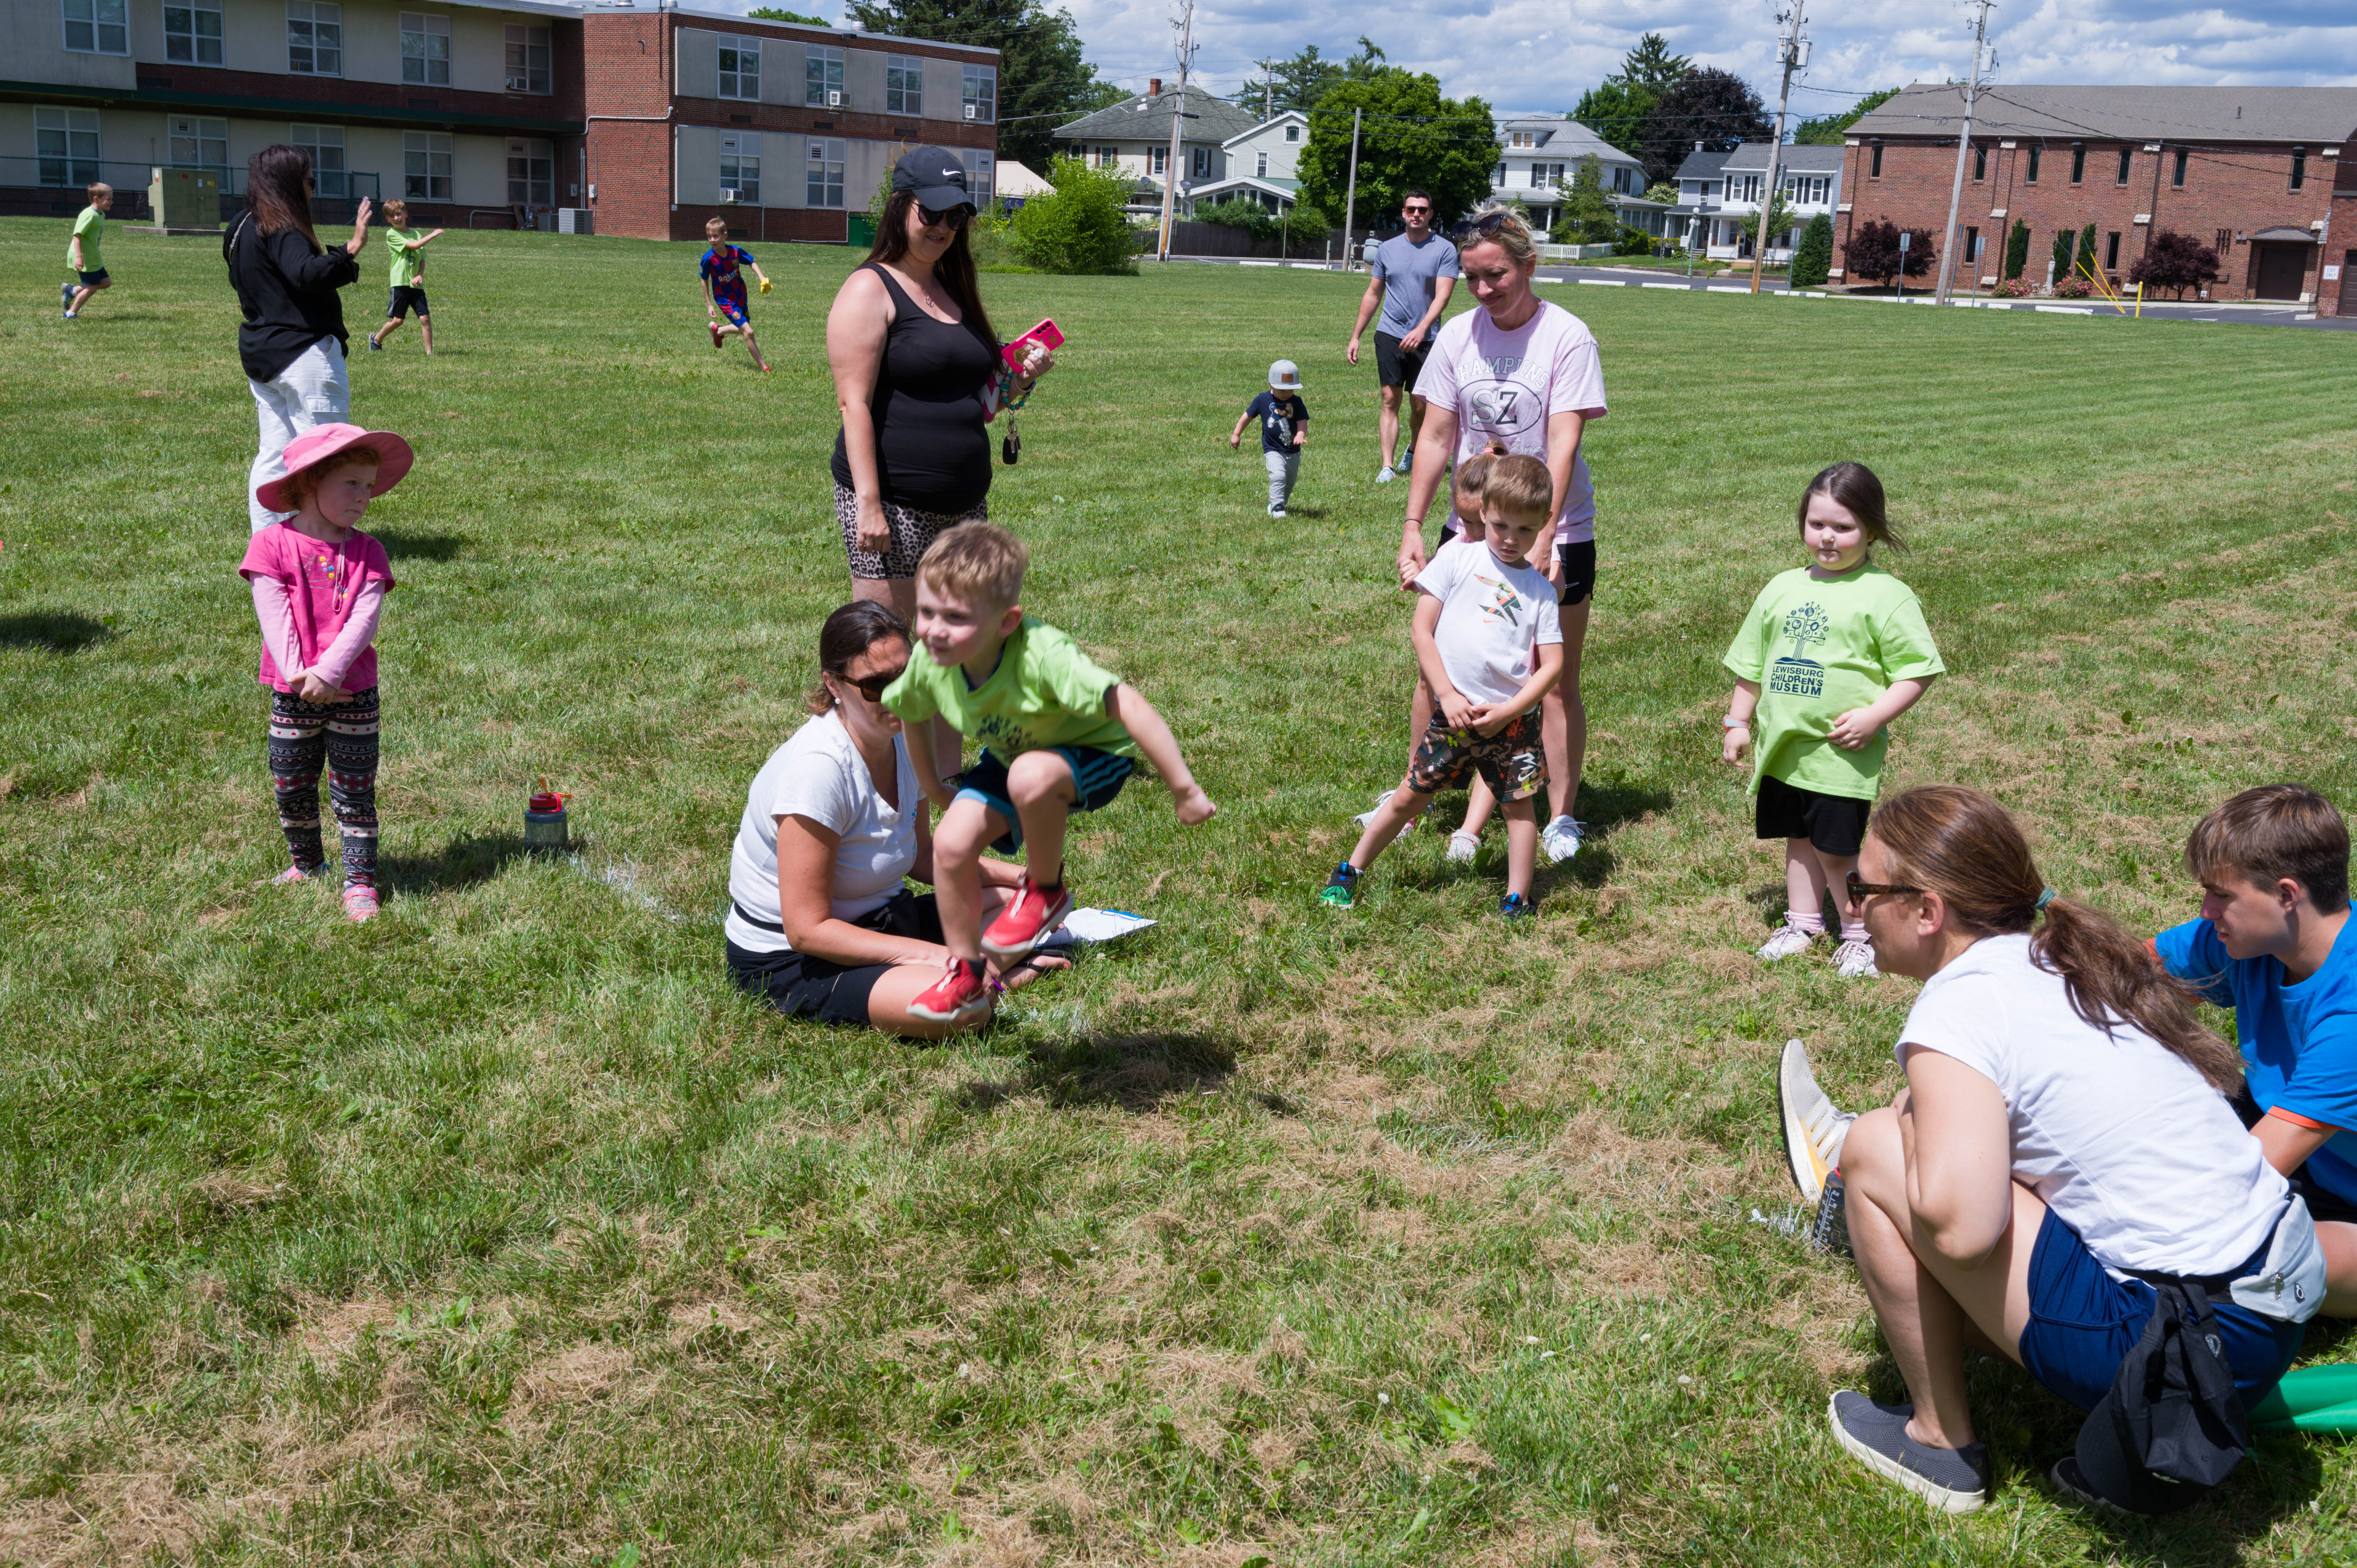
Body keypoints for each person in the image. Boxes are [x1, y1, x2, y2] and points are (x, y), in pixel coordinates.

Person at [1817, 785, 2320, 1515]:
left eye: (1862, 887)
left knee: (1869, 1147)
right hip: (2272, 1299)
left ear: (1927, 910)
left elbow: (1961, 1232)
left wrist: (1903, 1124)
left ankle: (1935, 1443)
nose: (1851, 905)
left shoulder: (1956, 1006)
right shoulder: (2061, 955)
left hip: (2184, 1351)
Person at [881, 524, 1216, 1025]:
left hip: (1094, 753)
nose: (934, 630)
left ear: (1007, 622)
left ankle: (1045, 891)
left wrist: (1183, 787)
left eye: (956, 617)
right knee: (950, 845)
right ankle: (967, 972)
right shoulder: (933, 661)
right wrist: (932, 787)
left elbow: (1129, 704)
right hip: (1014, 757)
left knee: (1032, 776)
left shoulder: (1045, 655)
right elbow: (911, 711)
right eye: (927, 612)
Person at [724, 602, 1067, 1039]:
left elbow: (921, 856)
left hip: (882, 919)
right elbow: (807, 931)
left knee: (1021, 907)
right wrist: (930, 956)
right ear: (833, 684)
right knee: (963, 1008)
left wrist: (1024, 878)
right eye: (875, 686)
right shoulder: (818, 771)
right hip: (795, 959)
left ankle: (981, 973)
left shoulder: (906, 739)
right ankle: (994, 979)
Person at [1396, 206, 1605, 865]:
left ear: (1527, 265)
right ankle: (1414, 797)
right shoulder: (1457, 335)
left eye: (1498, 277)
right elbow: (1433, 435)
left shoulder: (1566, 337)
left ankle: (1562, 815)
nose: (1484, 291)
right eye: (1473, 279)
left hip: (1555, 529)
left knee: (1553, 675)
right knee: (1439, 673)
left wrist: (1546, 537)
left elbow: (1563, 440)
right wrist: (1412, 525)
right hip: (1469, 530)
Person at [1722, 462, 1942, 980]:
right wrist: (1737, 722)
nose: (1827, 537)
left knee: (1837, 850)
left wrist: (1874, 717)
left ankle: (1862, 936)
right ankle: (1802, 925)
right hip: (1784, 749)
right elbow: (1751, 666)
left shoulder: (1886, 596)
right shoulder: (1781, 588)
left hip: (1840, 753)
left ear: (1871, 530)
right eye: (1817, 523)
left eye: (1843, 528)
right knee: (1798, 839)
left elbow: (1918, 672)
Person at [1322, 454, 1563, 919]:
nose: (1511, 540)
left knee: (1519, 812)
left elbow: (1551, 666)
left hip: (1510, 726)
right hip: (1452, 716)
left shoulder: (1541, 593)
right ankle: (1350, 872)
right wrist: (1447, 695)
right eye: (1499, 525)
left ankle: (1517, 898)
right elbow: (1421, 630)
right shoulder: (1457, 557)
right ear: (1483, 510)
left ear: (1544, 523)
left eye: (1525, 531)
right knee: (1410, 795)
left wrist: (1513, 710)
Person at [2153, 784, 2357, 1316]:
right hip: (2307, 1157)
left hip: (2331, 1190)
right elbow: (2130, 969)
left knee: (2254, 1263)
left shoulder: (2350, 1013)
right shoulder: (2248, 938)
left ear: (2287, 896)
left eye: (2221, 894)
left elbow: (2246, 1177)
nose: (2205, 909)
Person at [239, 424, 411, 923]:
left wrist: (330, 673)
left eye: (369, 486)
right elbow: (272, 611)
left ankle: (360, 884)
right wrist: (299, 676)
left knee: (354, 791)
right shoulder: (271, 544)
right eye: (352, 484)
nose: (365, 497)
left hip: (352, 691)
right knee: (292, 784)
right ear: (310, 482)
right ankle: (307, 864)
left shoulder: (369, 551)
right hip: (292, 690)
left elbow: (366, 617)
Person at [1361, 447, 1505, 857]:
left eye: (1481, 523)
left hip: (1500, 682)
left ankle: (1470, 830)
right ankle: (1408, 807)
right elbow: (1436, 599)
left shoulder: (1516, 557)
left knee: (1498, 757)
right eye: (1465, 521)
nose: (1473, 532)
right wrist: (1421, 580)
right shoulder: (1457, 548)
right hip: (1457, 682)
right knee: (1439, 753)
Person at [225, 144, 373, 533]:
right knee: (327, 454)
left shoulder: (240, 226)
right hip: (303, 357)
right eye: (311, 181)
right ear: (293, 184)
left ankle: (268, 540)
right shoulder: (282, 225)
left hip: (265, 358)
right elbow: (306, 274)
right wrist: (352, 249)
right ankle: (323, 536)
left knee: (274, 455)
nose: (314, 189)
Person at [1345, 192, 1458, 483]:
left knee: (1420, 404)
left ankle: (1412, 449)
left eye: (1422, 209)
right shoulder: (1388, 250)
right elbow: (1373, 294)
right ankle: (1387, 466)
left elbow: (1443, 296)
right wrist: (1356, 335)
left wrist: (1421, 330)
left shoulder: (1445, 250)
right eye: (1411, 209)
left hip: (1428, 338)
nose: (1417, 214)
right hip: (1390, 333)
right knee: (1388, 398)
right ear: (1403, 213)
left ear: (1431, 214)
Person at [1229, 358, 1309, 518]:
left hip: (1293, 451)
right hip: (1273, 449)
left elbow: (1302, 421)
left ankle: (1279, 503)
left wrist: (1301, 434)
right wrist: (1236, 434)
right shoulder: (1263, 400)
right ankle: (1278, 508)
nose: (1287, 394)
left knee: (1290, 480)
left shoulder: (1297, 402)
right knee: (1278, 475)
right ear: (1270, 384)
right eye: (1282, 390)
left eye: (1290, 390)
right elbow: (1247, 416)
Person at [367, 201, 443, 354]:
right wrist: (433, 235)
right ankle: (376, 340)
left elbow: (422, 259)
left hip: (416, 285)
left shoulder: (416, 235)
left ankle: (430, 354)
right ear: (387, 220)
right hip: (400, 283)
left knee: (425, 319)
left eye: (399, 214)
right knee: (398, 321)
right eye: (392, 216)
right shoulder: (392, 234)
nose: (396, 218)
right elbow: (414, 246)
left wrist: (420, 275)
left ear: (406, 214)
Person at [699, 217, 772, 372]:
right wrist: (710, 304)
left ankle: (718, 331)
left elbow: (752, 262)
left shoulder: (735, 251)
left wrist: (762, 277)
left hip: (740, 294)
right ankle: (764, 368)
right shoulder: (708, 259)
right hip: (725, 300)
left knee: (745, 327)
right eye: (709, 237)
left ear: (725, 235)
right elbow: (704, 280)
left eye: (716, 236)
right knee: (749, 332)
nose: (712, 240)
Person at [62, 182, 112, 320]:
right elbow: (77, 236)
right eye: (108, 199)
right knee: (91, 288)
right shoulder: (89, 215)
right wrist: (79, 257)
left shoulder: (100, 214)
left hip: (93, 256)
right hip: (84, 257)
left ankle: (72, 291)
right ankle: (70, 314)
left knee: (106, 282)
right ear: (96, 199)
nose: (111, 202)